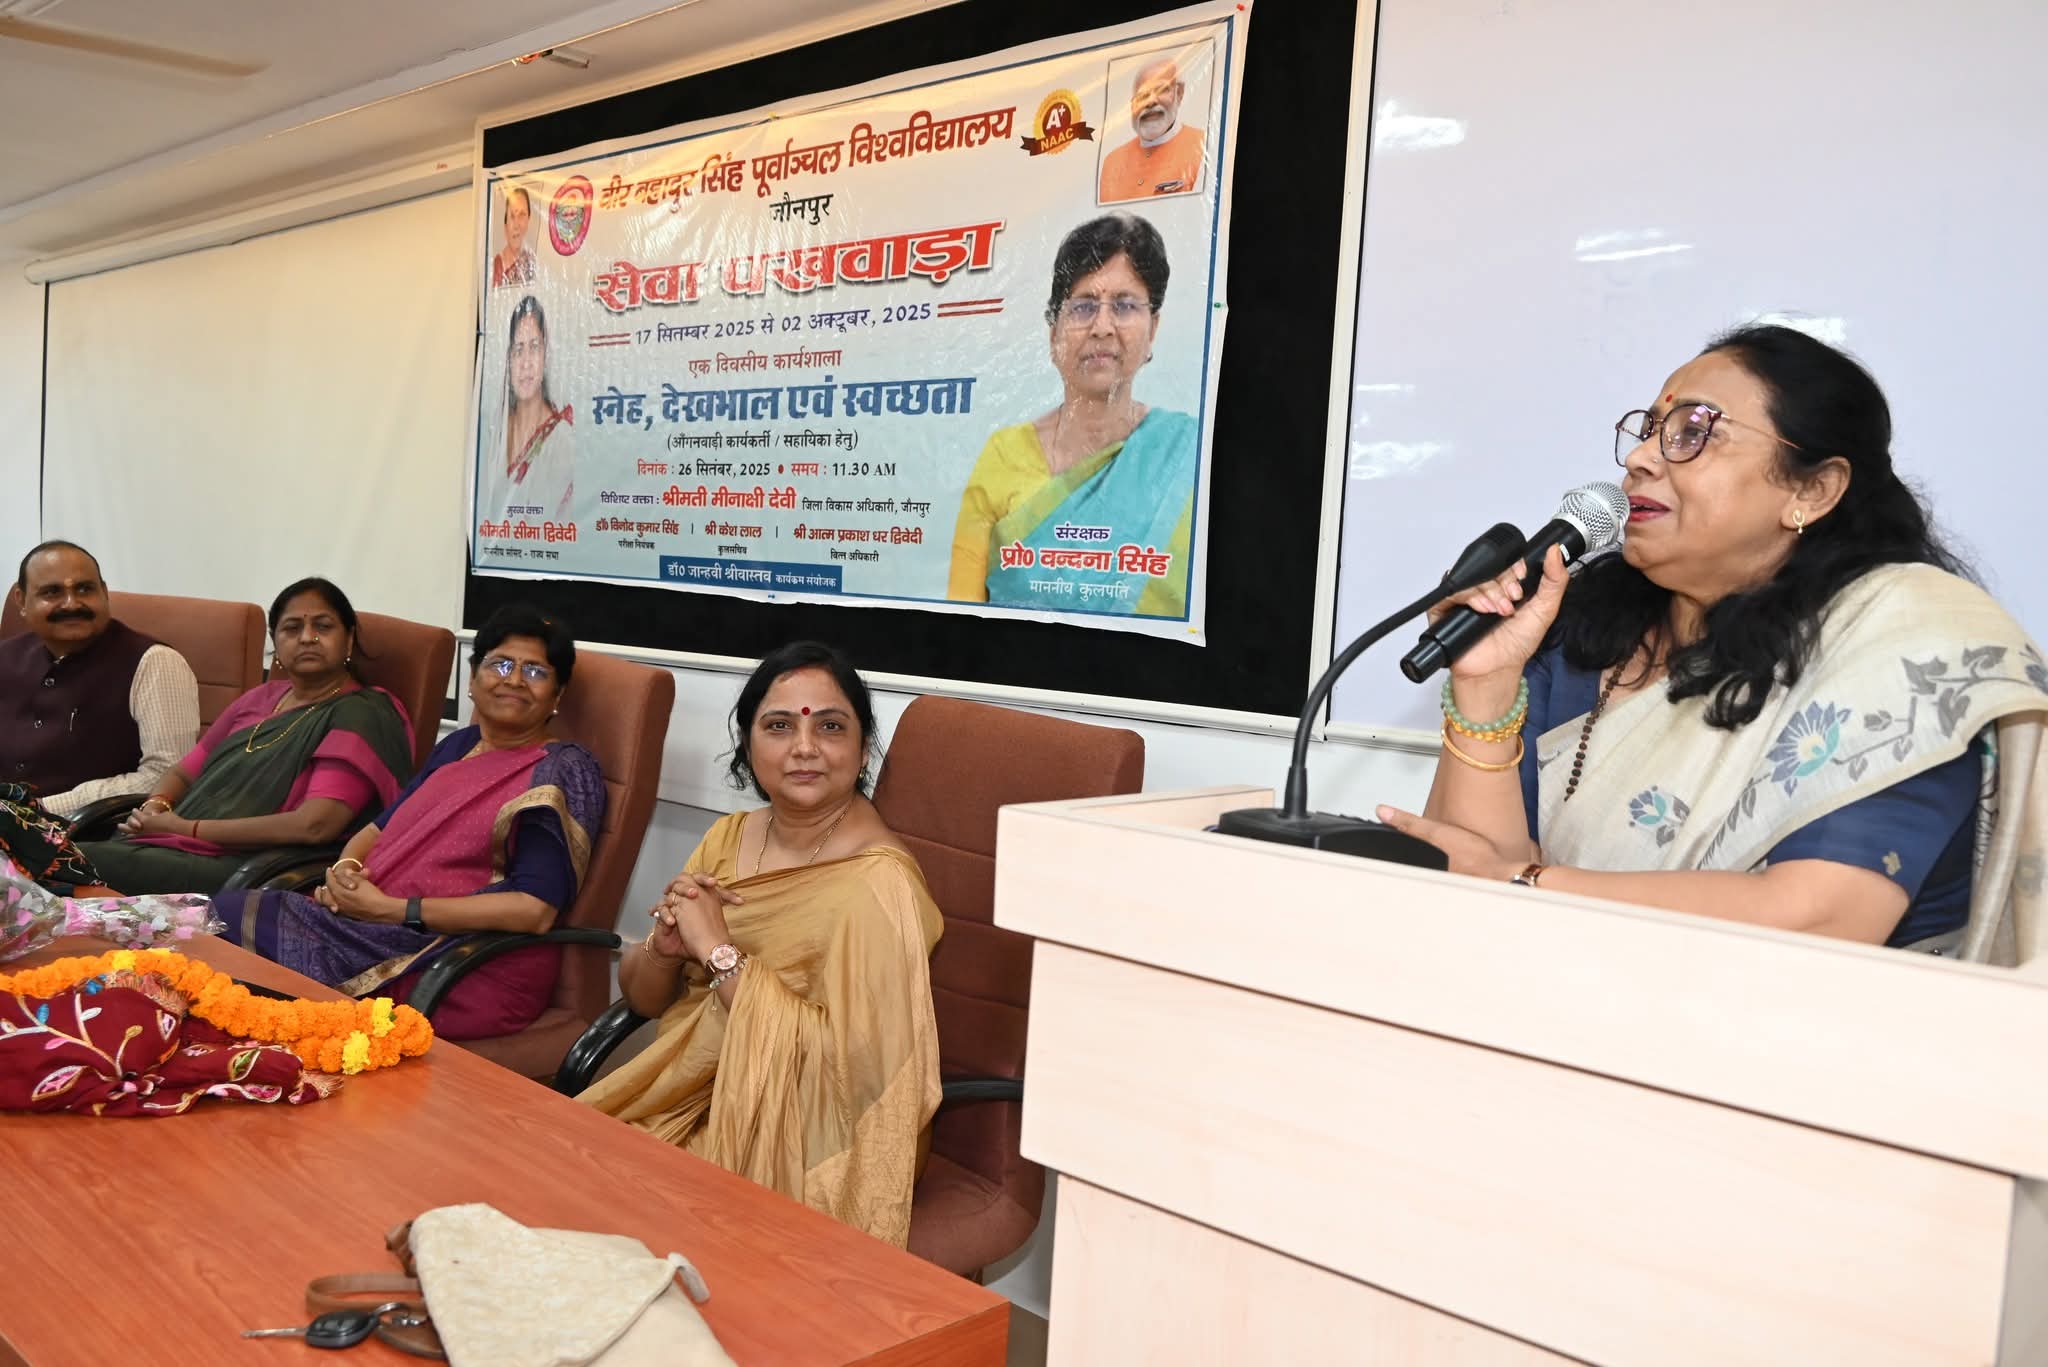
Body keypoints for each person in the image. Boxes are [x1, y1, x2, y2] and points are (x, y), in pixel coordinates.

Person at [1376, 325, 2048, 961]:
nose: (1640, 458)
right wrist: (1486, 683)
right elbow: (1467, 878)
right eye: (1648, 430)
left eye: (1693, 431)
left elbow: (1822, 916)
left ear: (1813, 489)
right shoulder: (1578, 633)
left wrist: (1529, 882)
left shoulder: (1904, 640)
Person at [579, 642, 943, 1247]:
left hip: (812, 1136)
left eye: (830, 726)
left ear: (862, 749)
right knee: (553, 1168)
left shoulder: (880, 883)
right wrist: (667, 948)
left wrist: (721, 955)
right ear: (749, 746)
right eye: (779, 726)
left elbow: (862, 1078)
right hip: (692, 1093)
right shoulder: (729, 836)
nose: (805, 747)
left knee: (613, 1214)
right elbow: (644, 1001)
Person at [210, 606, 604, 1039]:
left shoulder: (559, 770)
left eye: (536, 672)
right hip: (373, 929)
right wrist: (345, 875)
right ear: (472, 680)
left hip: (459, 964)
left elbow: (534, 910)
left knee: (234, 953)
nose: (514, 680)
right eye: (501, 665)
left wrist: (395, 910)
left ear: (557, 696)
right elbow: (378, 830)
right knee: (223, 918)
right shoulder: (460, 745)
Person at [75, 578, 414, 896]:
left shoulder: (362, 713)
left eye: (323, 627)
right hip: (171, 844)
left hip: (249, 868)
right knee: (59, 854)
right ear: (275, 642)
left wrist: (183, 828)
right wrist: (155, 807)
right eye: (292, 628)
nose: (307, 637)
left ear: (349, 639)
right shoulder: (261, 698)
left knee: (62, 859)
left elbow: (314, 826)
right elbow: (182, 773)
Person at [947, 213, 1197, 617]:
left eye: (1124, 305)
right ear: (1054, 333)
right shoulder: (1003, 455)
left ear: (1152, 328)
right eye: (1083, 307)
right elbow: (959, 621)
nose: (1102, 327)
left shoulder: (1186, 456)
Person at [0, 541, 199, 818]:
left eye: (85, 589)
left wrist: (40, 809)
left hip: (92, 831)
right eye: (52, 592)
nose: (72, 603)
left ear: (104, 593)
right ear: (21, 601)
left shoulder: (155, 663)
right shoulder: (6, 656)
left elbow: (166, 775)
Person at [480, 295, 576, 524]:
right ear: (508, 359)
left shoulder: (561, 440)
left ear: (546, 355)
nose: (526, 363)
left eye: (534, 347)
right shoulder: (495, 431)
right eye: (518, 349)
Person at [1097, 55, 1206, 203]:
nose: (1150, 101)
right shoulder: (1113, 162)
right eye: (1142, 96)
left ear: (1179, 93)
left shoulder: (1203, 145)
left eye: (1161, 90)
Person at [490, 186, 535, 288]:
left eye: (522, 215)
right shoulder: (495, 267)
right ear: (505, 226)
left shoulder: (532, 261)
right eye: (512, 216)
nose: (516, 225)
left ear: (529, 219)